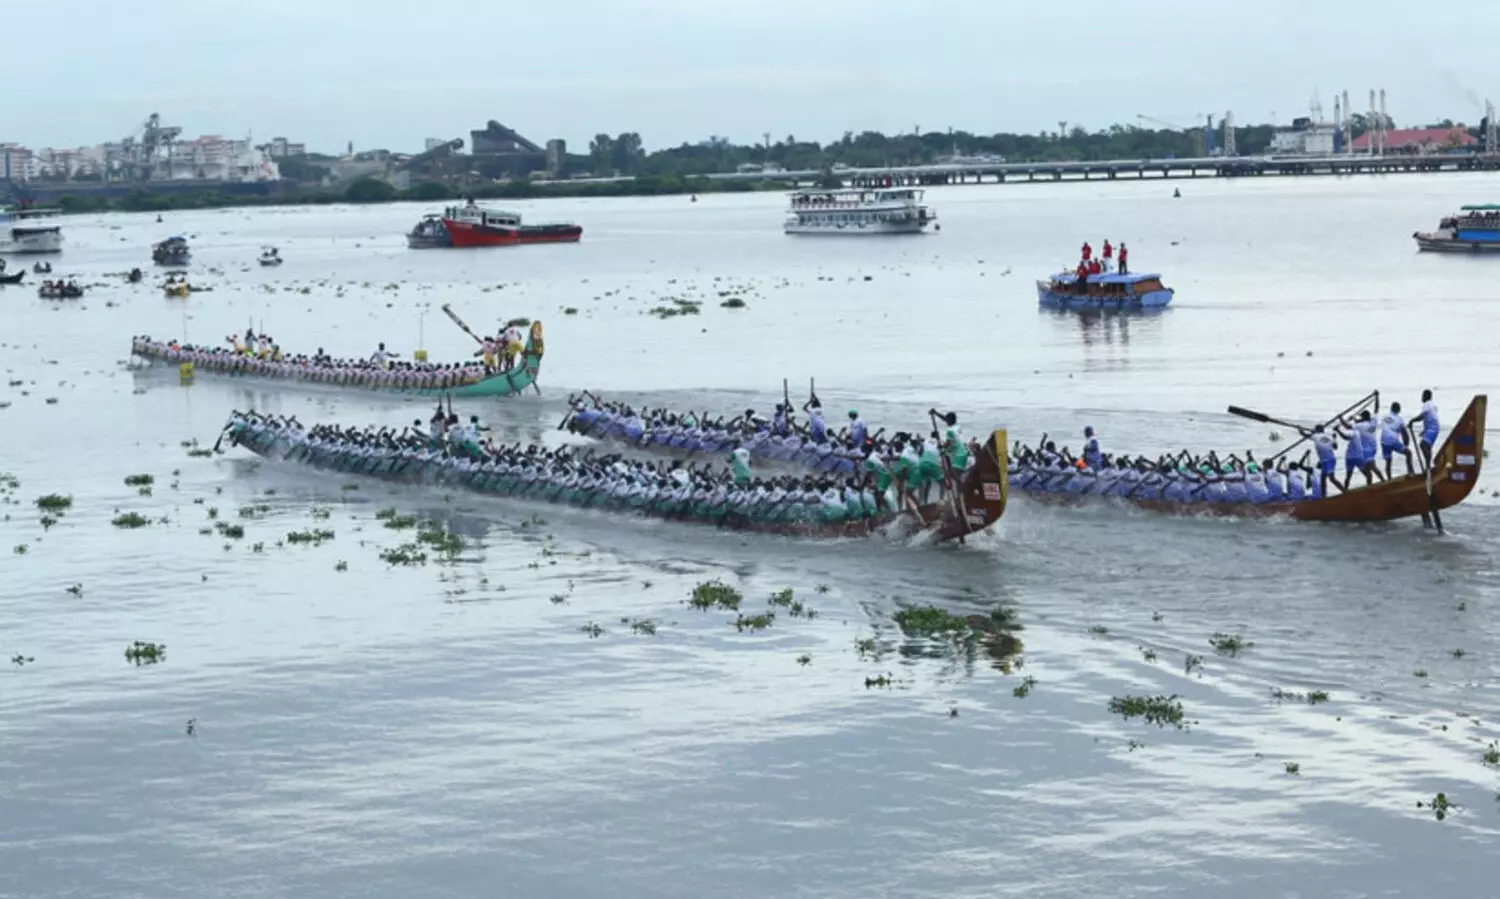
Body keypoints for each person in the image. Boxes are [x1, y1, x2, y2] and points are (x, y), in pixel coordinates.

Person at [1379, 401, 1412, 478]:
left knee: (1388, 461)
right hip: (1392, 440)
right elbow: (1405, 433)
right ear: (1398, 410)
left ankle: (1389, 479)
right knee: (1408, 453)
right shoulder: (1399, 419)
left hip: (1383, 441)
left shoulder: (1385, 416)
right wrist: (1406, 445)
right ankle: (1411, 472)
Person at [1414, 389, 1440, 468]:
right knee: (1427, 447)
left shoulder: (1427, 404)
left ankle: (1428, 466)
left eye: (1422, 396)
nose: (1421, 398)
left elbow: (1422, 416)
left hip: (1433, 428)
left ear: (1426, 396)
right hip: (1432, 428)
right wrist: (1424, 431)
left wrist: (1412, 421)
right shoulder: (1432, 405)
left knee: (1423, 445)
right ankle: (1428, 467)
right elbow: (1428, 418)